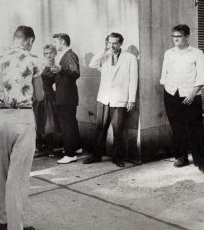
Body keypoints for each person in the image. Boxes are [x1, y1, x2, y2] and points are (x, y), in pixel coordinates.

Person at [0, 25, 43, 230]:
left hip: (0, 116)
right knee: (18, 177)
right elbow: (39, 96)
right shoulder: (34, 60)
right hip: (22, 117)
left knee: (0, 172)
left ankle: (4, 222)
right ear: (29, 40)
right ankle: (15, 226)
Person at [159, 24, 204, 176]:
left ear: (187, 36)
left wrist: (192, 94)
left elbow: (201, 76)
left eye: (179, 36)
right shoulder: (169, 53)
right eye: (173, 36)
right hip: (171, 94)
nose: (175, 39)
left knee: (195, 129)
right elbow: (165, 73)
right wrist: (167, 87)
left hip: (191, 95)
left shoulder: (197, 53)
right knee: (177, 128)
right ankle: (181, 157)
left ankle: (201, 163)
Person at [83, 33, 138, 167]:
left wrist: (131, 99)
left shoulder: (130, 58)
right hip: (104, 98)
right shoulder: (105, 56)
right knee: (100, 128)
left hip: (120, 99)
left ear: (120, 44)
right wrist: (104, 50)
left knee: (118, 130)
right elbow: (92, 64)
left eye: (115, 43)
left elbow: (133, 79)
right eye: (109, 43)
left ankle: (117, 157)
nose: (112, 46)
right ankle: (97, 155)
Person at [52, 33, 81, 164]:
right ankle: (76, 147)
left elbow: (75, 73)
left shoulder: (69, 55)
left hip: (66, 97)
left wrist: (61, 69)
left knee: (67, 124)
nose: (54, 45)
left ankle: (70, 154)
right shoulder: (66, 55)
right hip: (66, 96)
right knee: (71, 123)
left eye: (56, 43)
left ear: (62, 42)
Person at [33, 44, 61, 157]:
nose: (48, 55)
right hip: (38, 96)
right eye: (46, 53)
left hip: (49, 96)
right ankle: (40, 146)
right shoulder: (40, 65)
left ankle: (50, 149)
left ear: (55, 53)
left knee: (49, 123)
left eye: (50, 53)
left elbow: (59, 83)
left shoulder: (57, 68)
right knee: (38, 120)